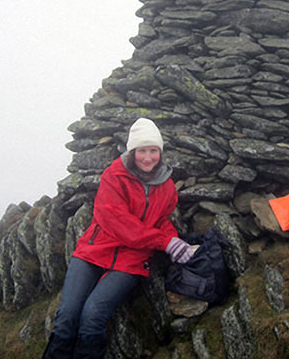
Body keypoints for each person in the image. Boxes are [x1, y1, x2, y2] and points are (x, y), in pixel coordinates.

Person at [43, 118, 196, 359]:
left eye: (153, 151)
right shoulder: (113, 176)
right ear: (132, 151)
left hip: (131, 261)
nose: (148, 157)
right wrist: (165, 242)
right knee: (67, 316)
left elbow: (161, 221)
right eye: (142, 151)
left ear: (160, 152)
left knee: (93, 315)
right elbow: (119, 223)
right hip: (93, 251)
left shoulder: (166, 188)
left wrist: (174, 241)